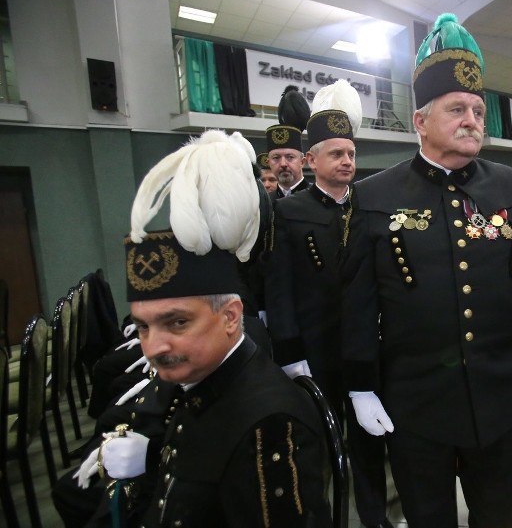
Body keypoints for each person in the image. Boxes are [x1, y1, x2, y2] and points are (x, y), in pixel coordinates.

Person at [340, 13, 512, 528]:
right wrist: (361, 385)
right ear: (420, 121)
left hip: (499, 397)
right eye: (457, 109)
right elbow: (359, 302)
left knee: (502, 517)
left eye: (478, 110)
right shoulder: (375, 196)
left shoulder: (510, 185)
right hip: (417, 403)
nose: (473, 119)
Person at [91, 129, 332, 527]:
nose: (154, 346)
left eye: (178, 322)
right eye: (143, 327)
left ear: (231, 317)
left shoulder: (268, 424)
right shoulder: (193, 380)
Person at [265, 80, 391, 528]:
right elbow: (278, 290)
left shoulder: (367, 209)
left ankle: (374, 516)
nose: (346, 162)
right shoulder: (289, 212)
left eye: (351, 154)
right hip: (313, 352)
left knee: (368, 442)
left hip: (363, 351)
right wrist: (290, 355)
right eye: (336, 154)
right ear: (311, 160)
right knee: (315, 444)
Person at [266, 85, 311, 198]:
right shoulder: (264, 204)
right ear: (268, 163)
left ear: (302, 161)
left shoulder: (320, 199)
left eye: (290, 157)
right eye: (276, 158)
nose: (283, 164)